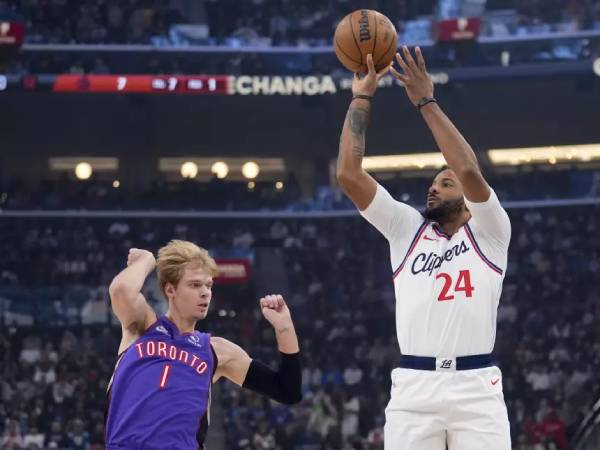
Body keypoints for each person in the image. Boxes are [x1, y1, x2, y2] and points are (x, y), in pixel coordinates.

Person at [336, 48, 511, 450]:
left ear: (467, 199)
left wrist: (425, 101)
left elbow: (467, 169)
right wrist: (361, 97)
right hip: (414, 386)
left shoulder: (491, 231)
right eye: (433, 182)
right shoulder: (406, 229)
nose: (433, 187)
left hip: (476, 386)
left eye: (444, 183)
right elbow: (348, 174)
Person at [104, 240, 302, 449]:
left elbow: (287, 391)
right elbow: (120, 290)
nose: (205, 292)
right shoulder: (143, 326)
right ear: (170, 290)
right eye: (195, 285)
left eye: (208, 285)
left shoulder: (216, 350)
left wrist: (285, 328)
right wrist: (146, 260)